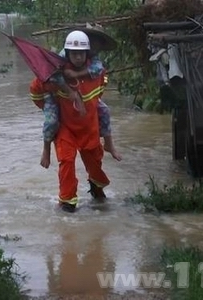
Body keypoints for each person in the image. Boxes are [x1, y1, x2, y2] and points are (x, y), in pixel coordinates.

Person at [30, 30, 110, 212]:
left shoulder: (96, 71)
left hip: (88, 126)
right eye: (74, 54)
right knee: (66, 161)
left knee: (95, 161)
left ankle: (96, 187)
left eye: (81, 53)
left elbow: (100, 92)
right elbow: (36, 88)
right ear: (67, 54)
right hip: (65, 127)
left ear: (87, 54)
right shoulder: (54, 73)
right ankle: (67, 201)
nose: (78, 57)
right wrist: (47, 104)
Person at [38, 25, 122, 170]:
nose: (96, 46)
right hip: (56, 94)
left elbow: (98, 69)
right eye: (75, 54)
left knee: (105, 111)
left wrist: (77, 74)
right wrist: (69, 90)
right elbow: (53, 75)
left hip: (82, 95)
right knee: (51, 122)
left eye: (98, 44)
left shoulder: (91, 56)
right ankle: (46, 149)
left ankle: (109, 144)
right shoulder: (63, 55)